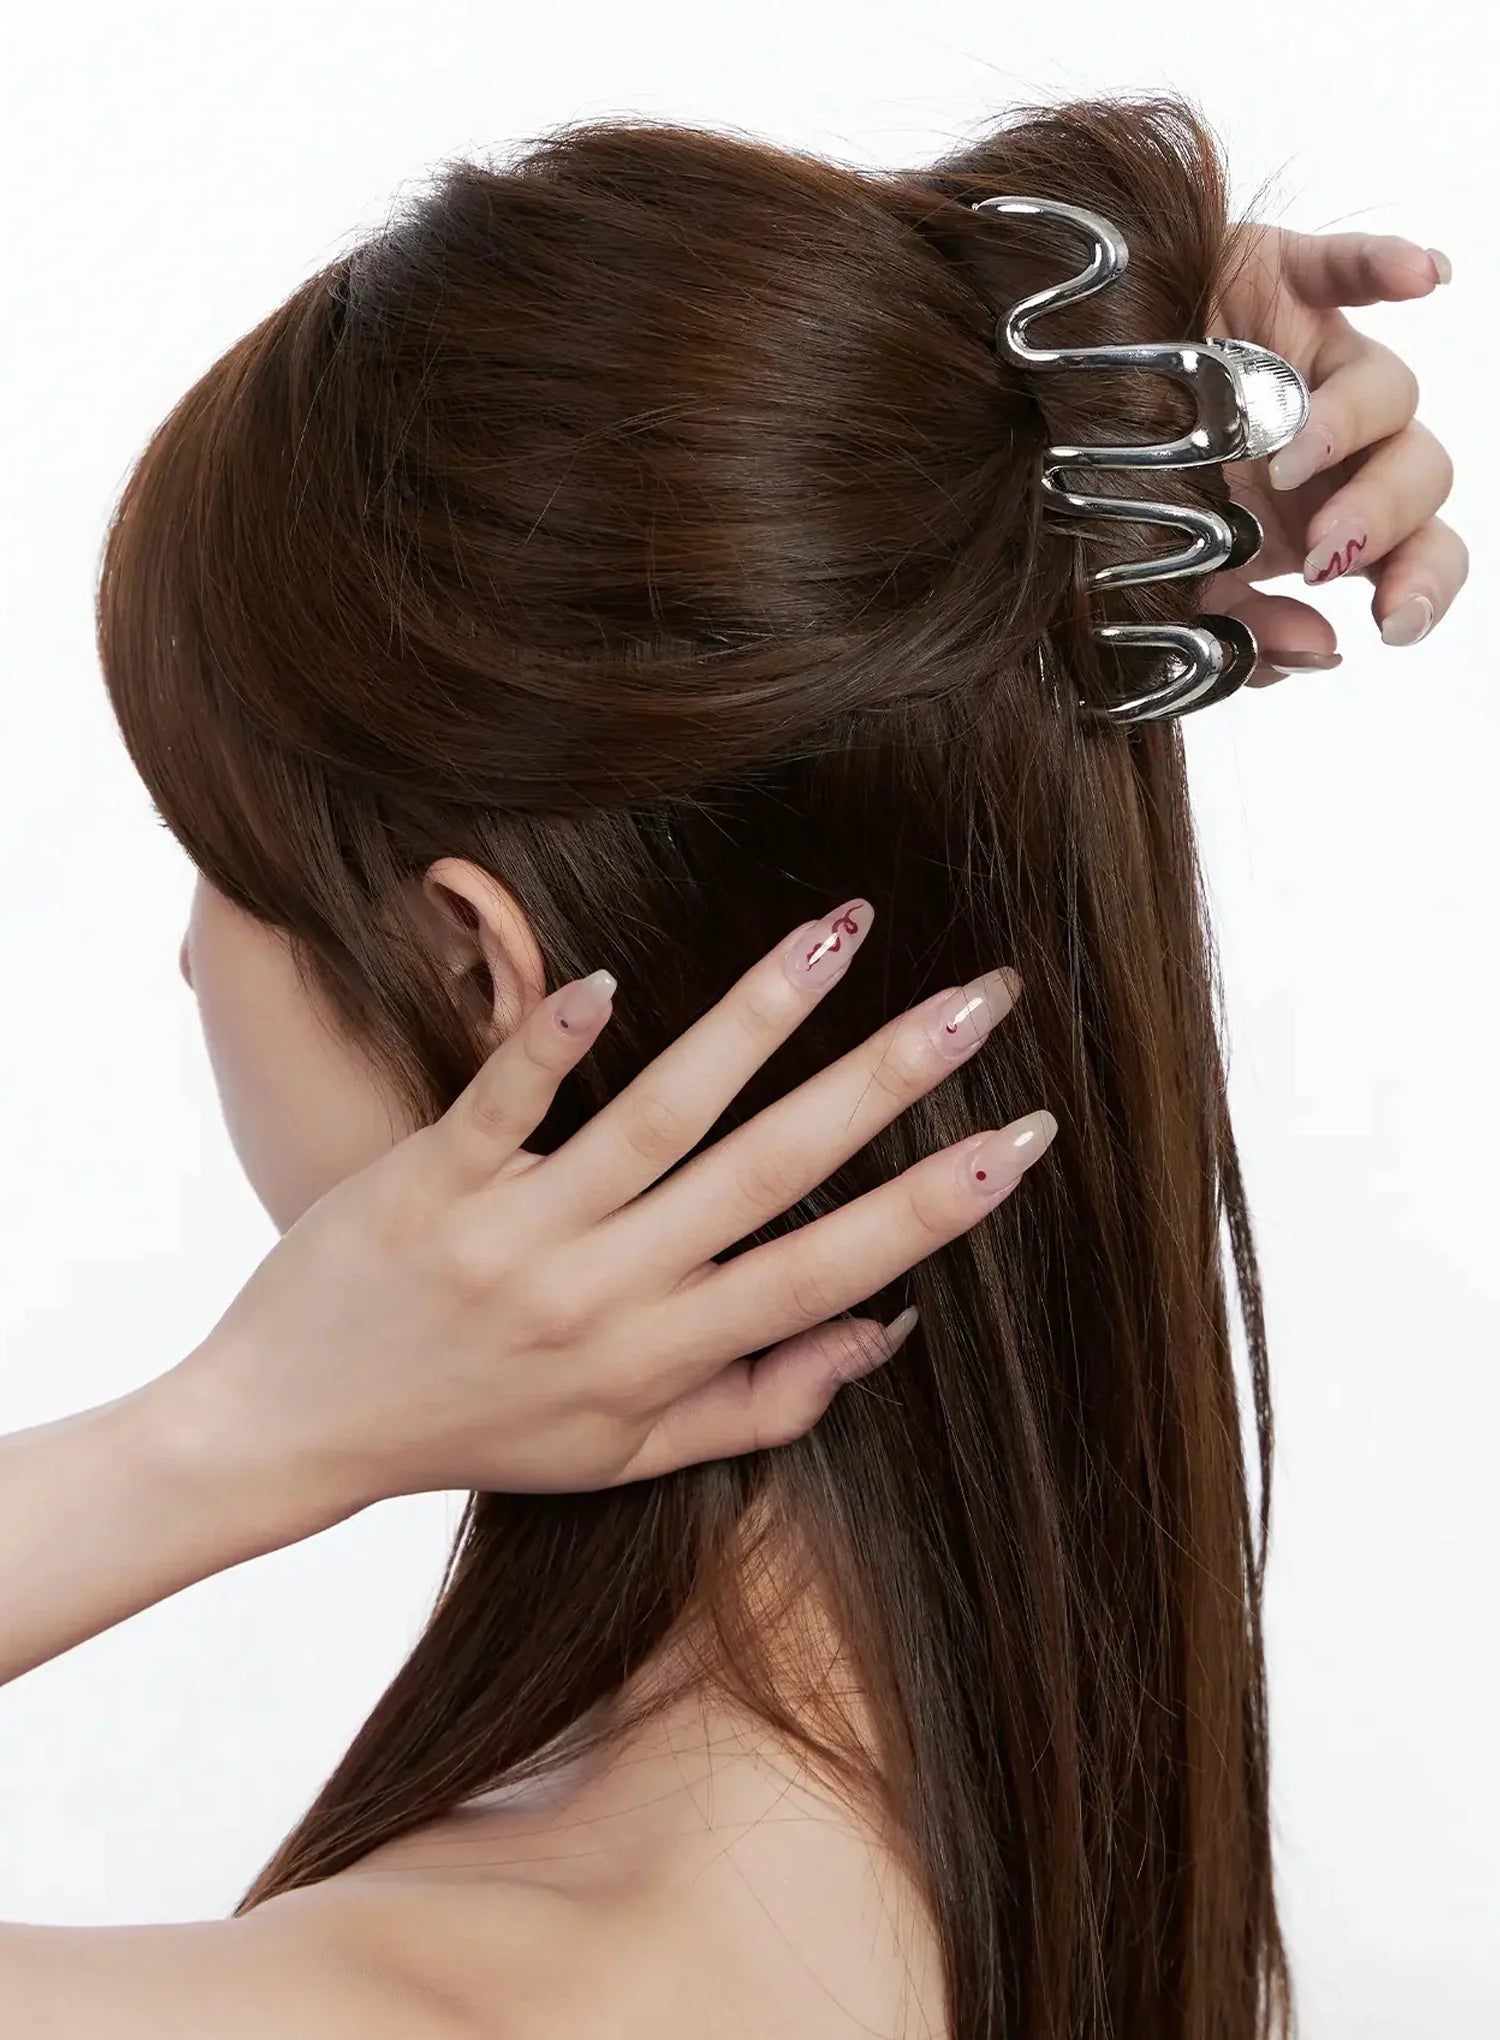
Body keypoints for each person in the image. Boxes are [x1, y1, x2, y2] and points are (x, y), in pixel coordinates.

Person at [0, 90, 1464, 2040]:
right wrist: (1011, 447)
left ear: (481, 976)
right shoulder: (1070, 1888)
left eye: (215, 843)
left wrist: (232, 1435)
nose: (193, 954)